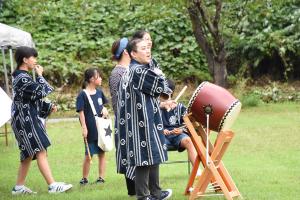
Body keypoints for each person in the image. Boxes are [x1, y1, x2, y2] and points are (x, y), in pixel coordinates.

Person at [11, 46, 72, 195]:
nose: (36, 60)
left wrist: (48, 106)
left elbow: (31, 99)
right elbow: (41, 91)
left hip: (24, 120)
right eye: (33, 57)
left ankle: (18, 188)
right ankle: (52, 186)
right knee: (41, 150)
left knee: (28, 154)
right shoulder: (22, 78)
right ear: (25, 60)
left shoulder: (21, 77)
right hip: (26, 121)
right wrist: (39, 75)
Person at [116, 38, 172, 200]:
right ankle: (143, 196)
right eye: (143, 48)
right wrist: (157, 71)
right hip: (141, 123)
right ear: (133, 54)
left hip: (143, 121)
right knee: (143, 159)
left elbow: (155, 93)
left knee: (152, 155)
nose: (148, 51)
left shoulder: (135, 70)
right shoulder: (138, 71)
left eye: (148, 48)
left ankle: (156, 192)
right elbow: (162, 86)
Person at [109, 37, 136, 196]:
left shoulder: (125, 70)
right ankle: (134, 191)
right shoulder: (118, 72)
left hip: (128, 120)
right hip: (125, 121)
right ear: (126, 52)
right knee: (129, 155)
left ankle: (136, 190)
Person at [76, 67, 109, 185]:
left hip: (101, 129)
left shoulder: (100, 92)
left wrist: (105, 109)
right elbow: (81, 112)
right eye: (98, 77)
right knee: (88, 155)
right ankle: (84, 178)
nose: (100, 79)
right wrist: (84, 127)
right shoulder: (82, 95)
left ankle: (101, 177)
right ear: (91, 79)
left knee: (102, 153)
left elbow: (104, 106)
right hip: (90, 129)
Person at [160, 79, 197, 166]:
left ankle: (197, 172)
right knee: (154, 144)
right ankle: (152, 176)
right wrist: (160, 131)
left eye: (166, 93)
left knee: (188, 140)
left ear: (171, 92)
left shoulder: (180, 107)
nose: (163, 95)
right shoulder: (155, 107)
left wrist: (182, 130)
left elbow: (188, 125)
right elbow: (150, 124)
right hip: (161, 137)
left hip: (177, 136)